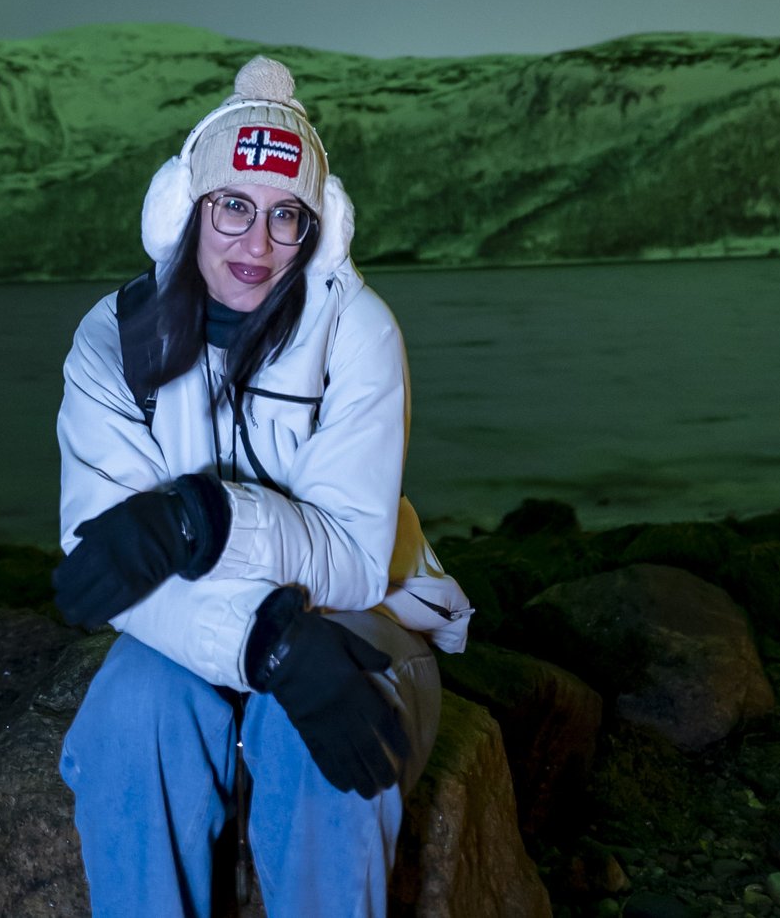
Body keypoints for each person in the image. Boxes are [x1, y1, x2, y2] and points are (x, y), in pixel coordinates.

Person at [54, 53, 472, 916]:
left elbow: (354, 558)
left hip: (360, 609)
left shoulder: (356, 329)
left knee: (328, 739)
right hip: (223, 630)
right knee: (129, 722)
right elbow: (105, 562)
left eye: (287, 215)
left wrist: (199, 518)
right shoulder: (114, 338)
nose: (258, 244)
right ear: (184, 206)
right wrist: (268, 641)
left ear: (318, 228)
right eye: (234, 206)